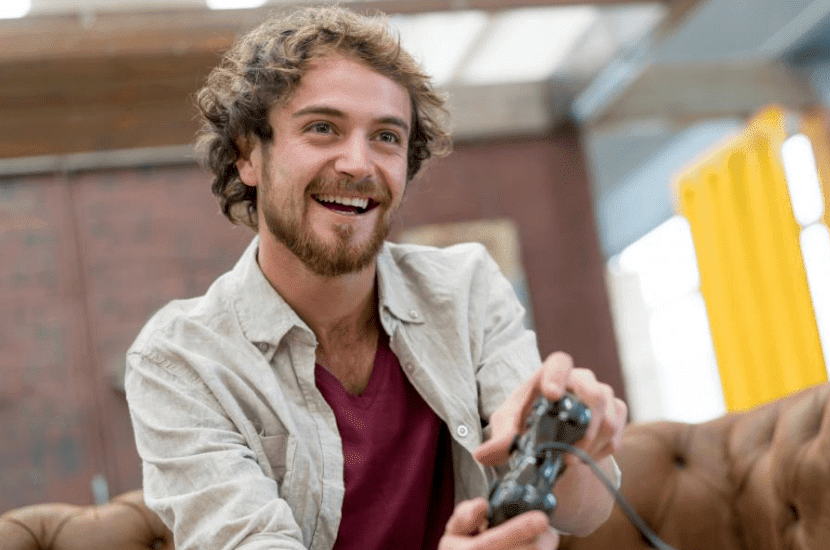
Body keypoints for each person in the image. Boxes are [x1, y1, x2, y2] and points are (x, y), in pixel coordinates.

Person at [124, 5, 627, 550]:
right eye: (322, 128)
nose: (358, 164)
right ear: (249, 155)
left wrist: (573, 446)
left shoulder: (465, 289)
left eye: (387, 137)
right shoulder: (178, 362)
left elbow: (583, 513)